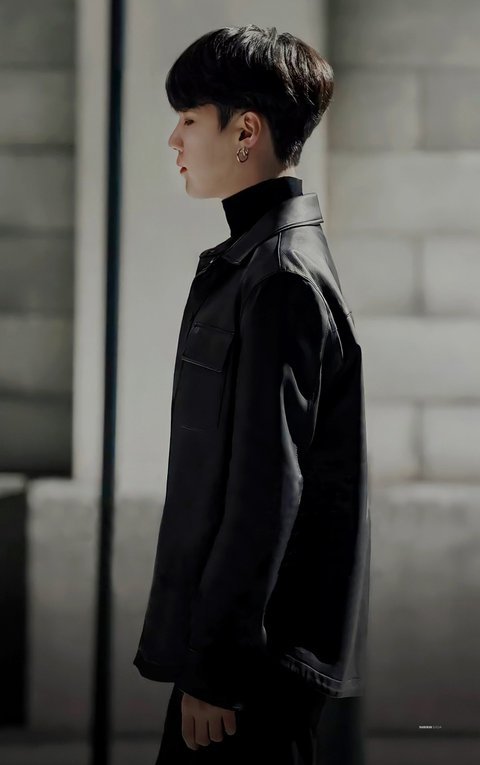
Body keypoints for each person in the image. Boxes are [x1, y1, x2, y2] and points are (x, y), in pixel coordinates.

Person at [133, 24, 371, 764]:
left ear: (245, 132)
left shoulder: (280, 277)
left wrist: (218, 672)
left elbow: (267, 492)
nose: (174, 139)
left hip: (250, 672)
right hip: (237, 655)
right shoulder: (257, 262)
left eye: (188, 119)